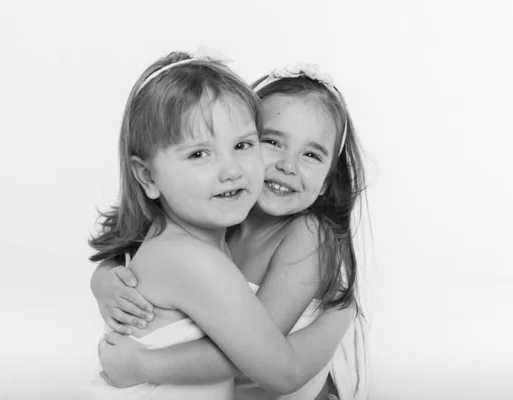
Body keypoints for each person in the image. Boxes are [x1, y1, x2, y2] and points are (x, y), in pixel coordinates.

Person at [88, 49, 358, 400]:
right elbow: (131, 248)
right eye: (271, 142)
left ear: (326, 181)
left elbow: (265, 358)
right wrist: (104, 280)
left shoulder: (298, 233)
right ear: (148, 176)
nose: (287, 166)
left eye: (241, 146)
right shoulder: (213, 217)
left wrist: (344, 312)